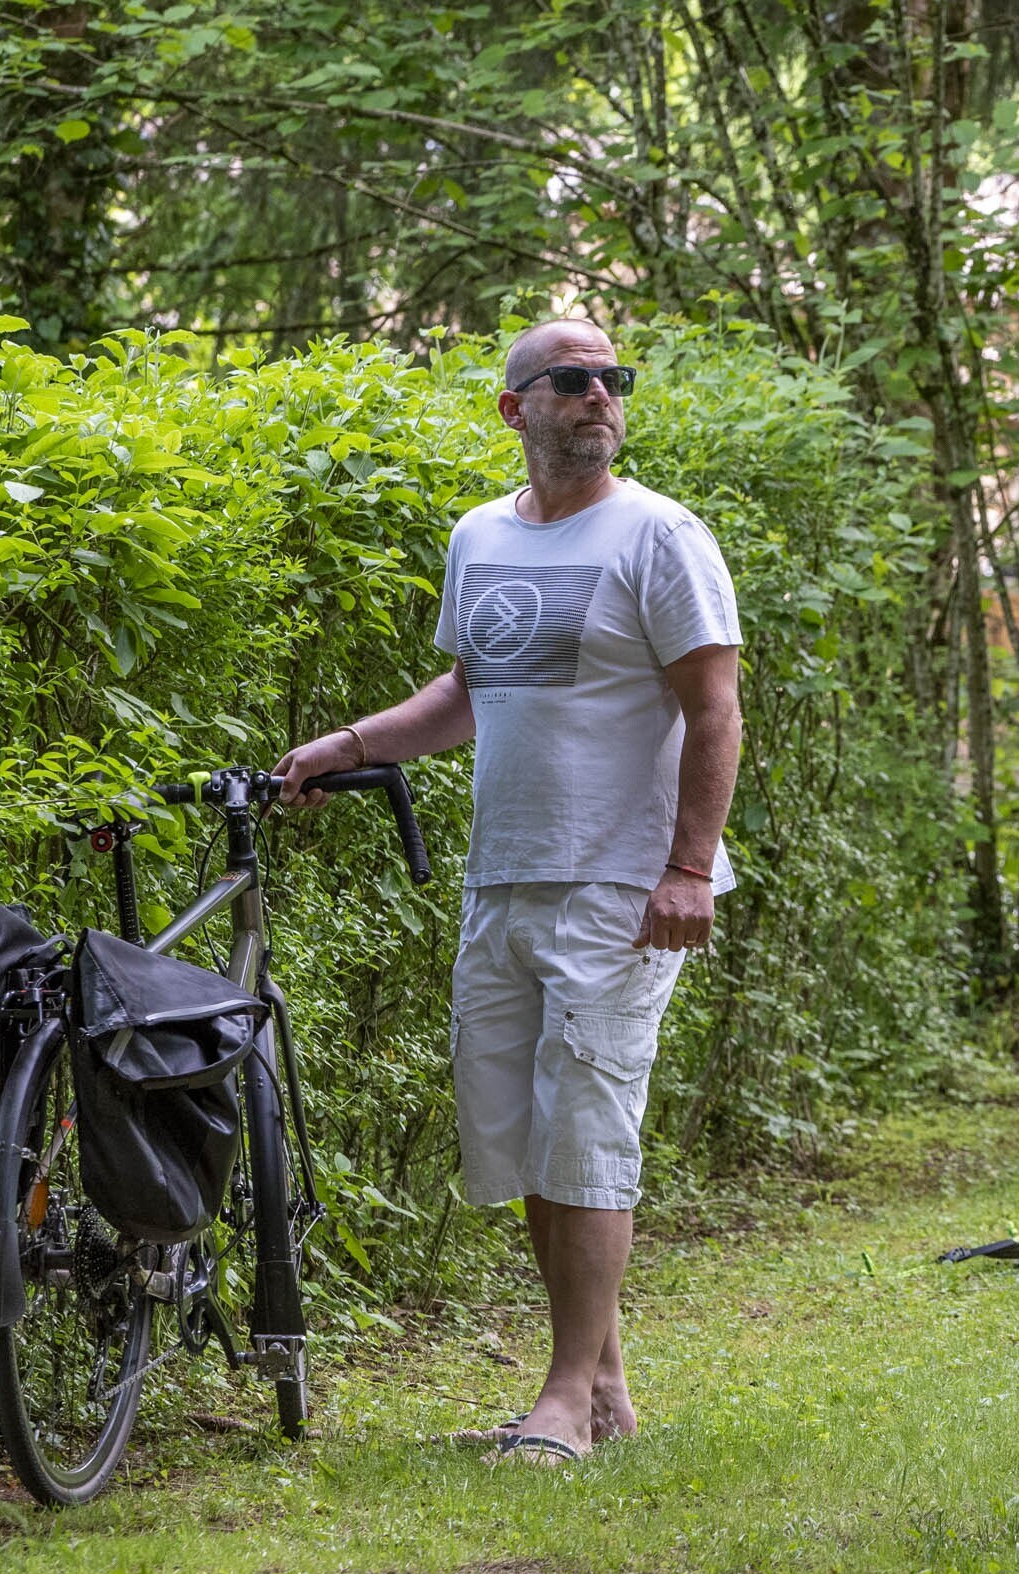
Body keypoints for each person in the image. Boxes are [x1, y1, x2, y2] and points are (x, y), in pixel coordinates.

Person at [272, 318, 743, 1465]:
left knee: (586, 1126)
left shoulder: (661, 535)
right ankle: (605, 1386)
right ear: (515, 408)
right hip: (505, 877)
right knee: (534, 1137)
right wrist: (344, 744)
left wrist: (687, 866)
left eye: (611, 380)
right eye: (571, 381)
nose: (598, 396)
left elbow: (714, 709)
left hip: (619, 884)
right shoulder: (479, 537)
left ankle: (563, 1396)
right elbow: (473, 690)